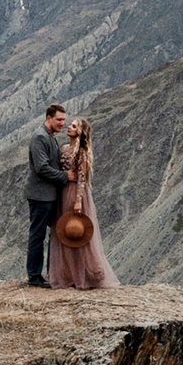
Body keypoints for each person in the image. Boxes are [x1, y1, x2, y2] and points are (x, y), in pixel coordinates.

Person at [49, 118, 117, 290]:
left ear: (80, 131)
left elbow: (82, 177)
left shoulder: (81, 151)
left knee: (77, 231)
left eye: (73, 126)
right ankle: (69, 274)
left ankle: (89, 273)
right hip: (63, 192)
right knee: (64, 232)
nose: (68, 128)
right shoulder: (64, 148)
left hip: (74, 193)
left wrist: (78, 200)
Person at [24, 104, 70, 287]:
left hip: (48, 195)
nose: (62, 123)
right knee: (38, 235)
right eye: (59, 120)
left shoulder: (49, 137)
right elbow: (42, 168)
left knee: (53, 234)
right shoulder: (40, 137)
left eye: (63, 120)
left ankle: (52, 273)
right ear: (48, 118)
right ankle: (34, 276)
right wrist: (65, 177)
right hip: (40, 195)